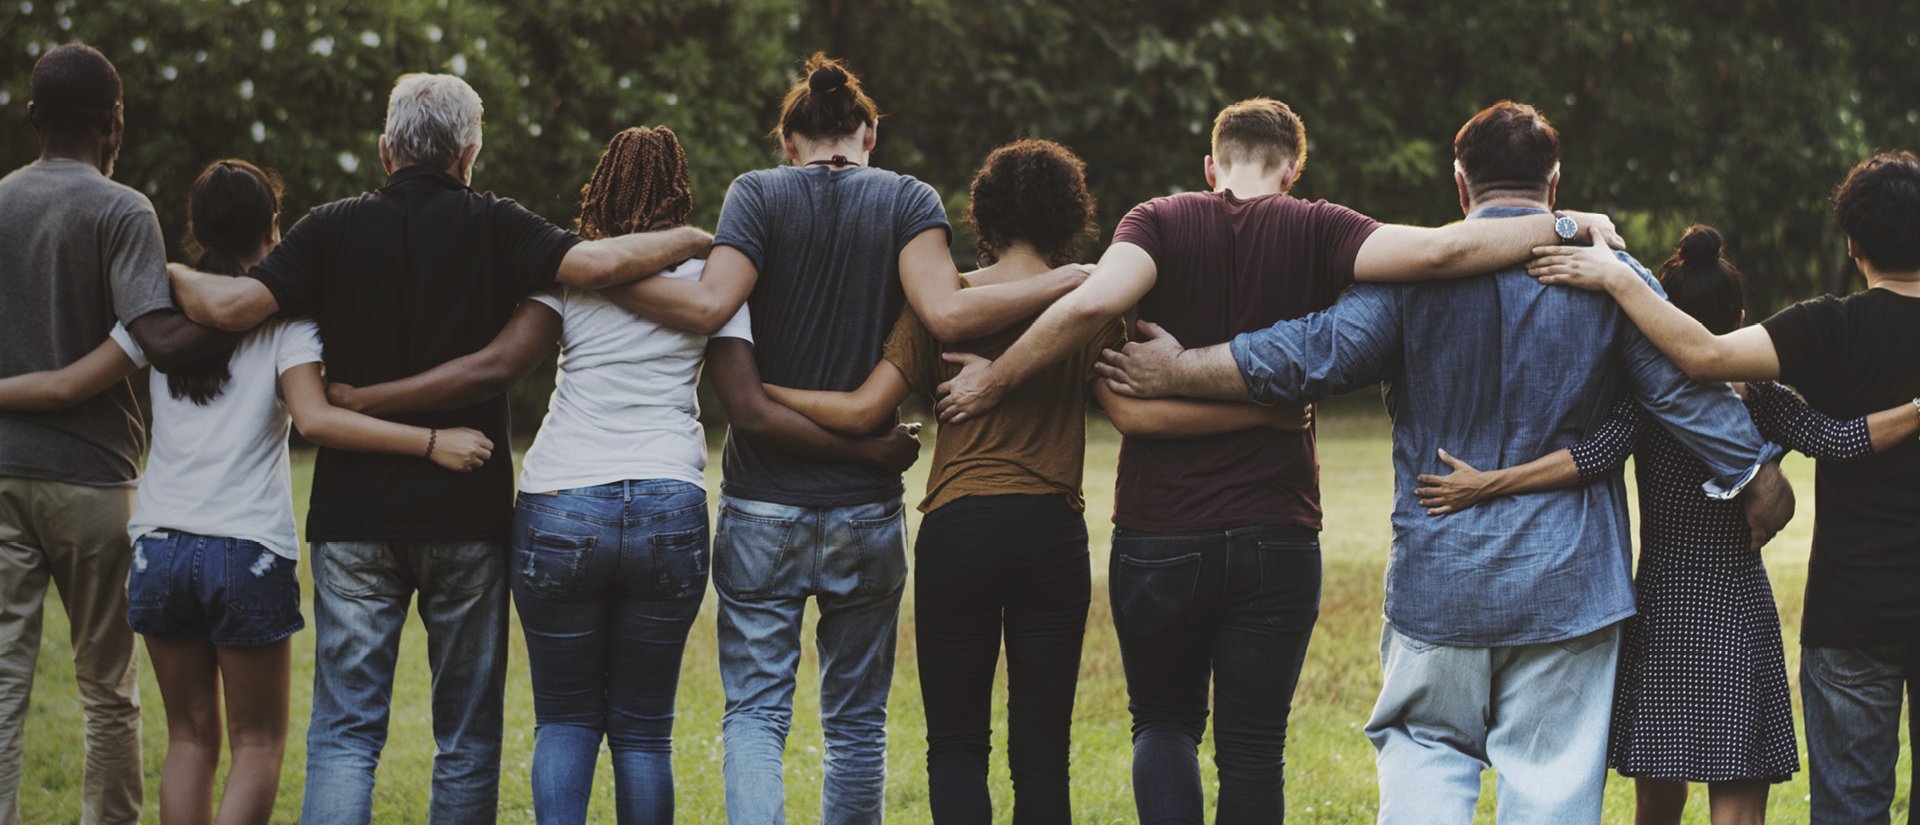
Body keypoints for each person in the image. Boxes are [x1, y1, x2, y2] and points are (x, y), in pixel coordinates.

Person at [1091, 101, 1794, 824]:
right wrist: (1754, 469)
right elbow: (1683, 385)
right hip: (1569, 586)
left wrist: (1179, 367)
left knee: (1424, 758)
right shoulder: (1608, 274)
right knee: (1550, 790)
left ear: (1460, 184)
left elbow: (1310, 351)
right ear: (1555, 187)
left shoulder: (1409, 280)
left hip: (1439, 578)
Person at [930, 97, 1627, 824]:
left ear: (1210, 167)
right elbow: (1444, 254)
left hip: (1165, 531)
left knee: (1164, 725)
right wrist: (1568, 226)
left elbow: (1090, 310)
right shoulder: (1324, 226)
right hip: (1287, 531)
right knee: (1255, 747)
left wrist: (994, 376)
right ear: (1293, 171)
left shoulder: (1156, 221)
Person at [165, 74, 714, 825]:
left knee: (344, 735)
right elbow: (591, 268)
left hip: (353, 514)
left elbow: (229, 306)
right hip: (467, 507)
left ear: (386, 151)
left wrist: (149, 264)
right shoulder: (498, 223)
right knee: (465, 735)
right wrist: (693, 236)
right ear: (469, 152)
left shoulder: (326, 229)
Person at [765, 139, 1306, 823]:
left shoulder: (945, 301)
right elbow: (1138, 417)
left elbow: (866, 409)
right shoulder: (1088, 303)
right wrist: (1260, 409)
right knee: (1042, 748)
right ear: (1070, 218)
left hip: (957, 531)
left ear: (982, 218)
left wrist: (761, 391)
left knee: (957, 745)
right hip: (1049, 536)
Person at [0, 159, 494, 825]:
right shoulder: (288, 322)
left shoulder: (156, 318)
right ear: (273, 227)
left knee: (189, 740)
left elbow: (63, 386)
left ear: (195, 229)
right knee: (257, 744)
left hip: (159, 548)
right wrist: (431, 442)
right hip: (247, 552)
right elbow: (316, 420)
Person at [694, 54, 1089, 825]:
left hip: (762, 504)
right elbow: (947, 310)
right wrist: (1077, 281)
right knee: (857, 725)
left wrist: (758, 386)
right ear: (869, 131)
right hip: (870, 512)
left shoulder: (753, 195)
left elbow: (719, 308)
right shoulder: (908, 200)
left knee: (755, 716)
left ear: (788, 140)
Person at [1416, 225, 1920, 825]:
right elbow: (1843, 441)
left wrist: (1487, 482)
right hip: (1737, 608)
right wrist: (1916, 410)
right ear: (1739, 315)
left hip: (1664, 606)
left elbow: (1587, 459)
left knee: (1657, 805)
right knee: (1738, 803)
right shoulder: (1763, 396)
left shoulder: (1645, 402)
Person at [325, 126, 753, 825]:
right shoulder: (710, 281)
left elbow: (494, 365)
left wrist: (373, 397)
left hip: (562, 502)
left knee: (566, 720)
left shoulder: (564, 271)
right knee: (645, 730)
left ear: (602, 184)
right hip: (669, 502)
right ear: (680, 190)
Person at [0, 43, 239, 825]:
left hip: (3, 471)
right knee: (107, 686)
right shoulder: (123, 208)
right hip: (95, 477)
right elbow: (156, 337)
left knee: (4, 682)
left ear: (31, 115)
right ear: (116, 120)